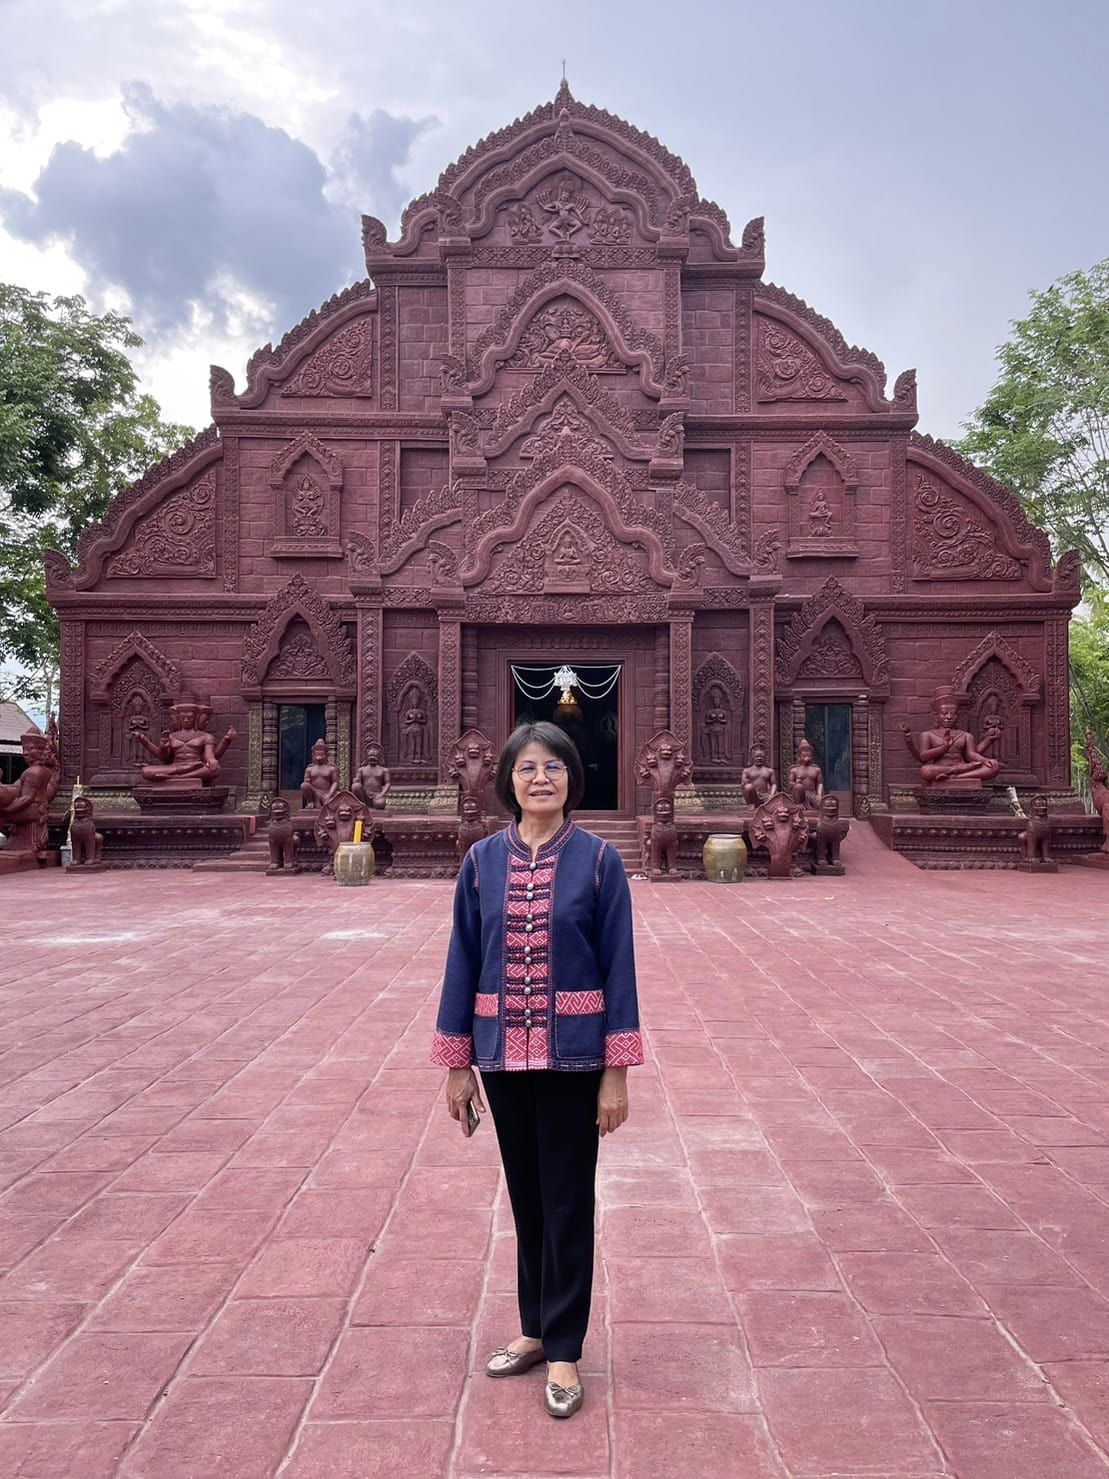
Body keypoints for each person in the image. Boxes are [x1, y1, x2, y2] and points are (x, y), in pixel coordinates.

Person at [431, 721, 643, 1420]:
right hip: (500, 1052)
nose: (540, 778)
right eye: (527, 768)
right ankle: (532, 1326)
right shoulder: (481, 862)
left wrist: (617, 1071)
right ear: (507, 780)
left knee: (566, 1199)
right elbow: (462, 960)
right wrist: (456, 1065)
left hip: (574, 1053)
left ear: (570, 778)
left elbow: (620, 968)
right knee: (525, 1197)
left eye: (553, 767)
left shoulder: (598, 862)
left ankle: (564, 1347)